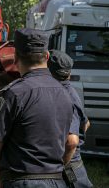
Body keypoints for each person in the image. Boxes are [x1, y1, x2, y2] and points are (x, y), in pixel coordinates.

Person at [0, 28, 75, 188]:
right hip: (56, 181)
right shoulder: (66, 93)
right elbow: (70, 142)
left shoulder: (13, 93)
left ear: (15, 58)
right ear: (47, 56)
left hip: (20, 181)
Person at [48, 49, 93, 188]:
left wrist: (61, 166)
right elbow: (86, 123)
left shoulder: (63, 95)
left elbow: (72, 142)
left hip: (69, 167)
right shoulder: (71, 90)